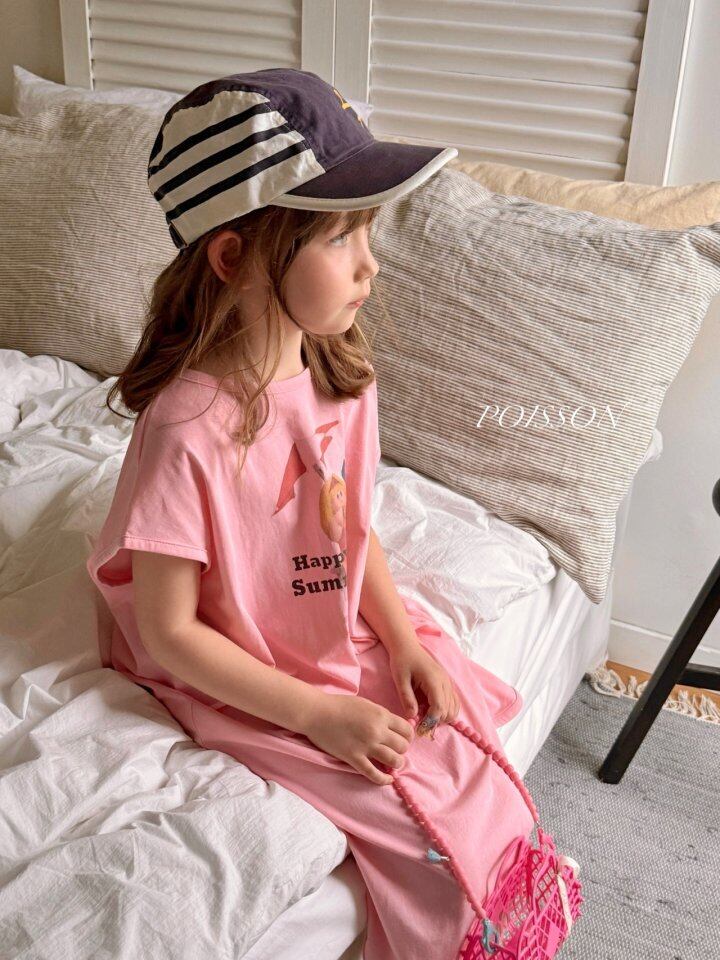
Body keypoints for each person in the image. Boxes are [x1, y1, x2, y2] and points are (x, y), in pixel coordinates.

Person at [86, 68, 536, 960]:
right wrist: (314, 714)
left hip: (325, 620)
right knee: (423, 837)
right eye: (339, 237)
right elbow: (170, 635)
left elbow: (349, 532)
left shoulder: (341, 377)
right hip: (234, 661)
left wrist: (402, 642)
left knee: (472, 753)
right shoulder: (186, 427)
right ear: (233, 259)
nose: (370, 265)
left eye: (368, 232)